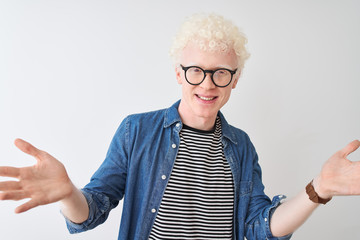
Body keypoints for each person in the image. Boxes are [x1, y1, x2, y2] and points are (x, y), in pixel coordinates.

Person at [0, 13, 359, 240]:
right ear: (178, 73)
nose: (207, 84)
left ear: (235, 80)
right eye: (195, 71)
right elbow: (91, 211)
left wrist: (320, 188)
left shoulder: (241, 146)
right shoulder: (136, 131)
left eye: (221, 73)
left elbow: (258, 228)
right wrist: (67, 194)